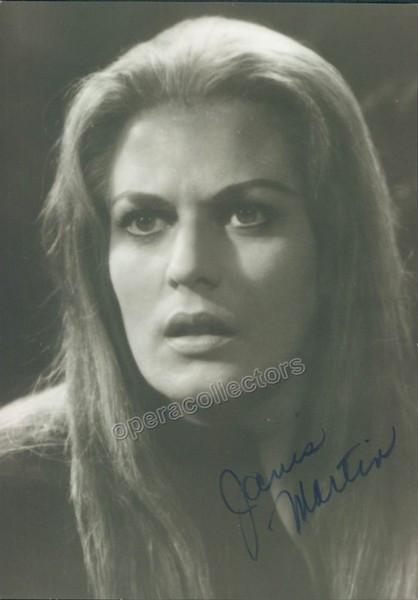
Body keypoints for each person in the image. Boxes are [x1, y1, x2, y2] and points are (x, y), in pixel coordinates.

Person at [0, 15, 417, 600]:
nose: (188, 265)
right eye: (144, 220)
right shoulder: (15, 493)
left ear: (334, 244)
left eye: (248, 214)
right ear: (97, 258)